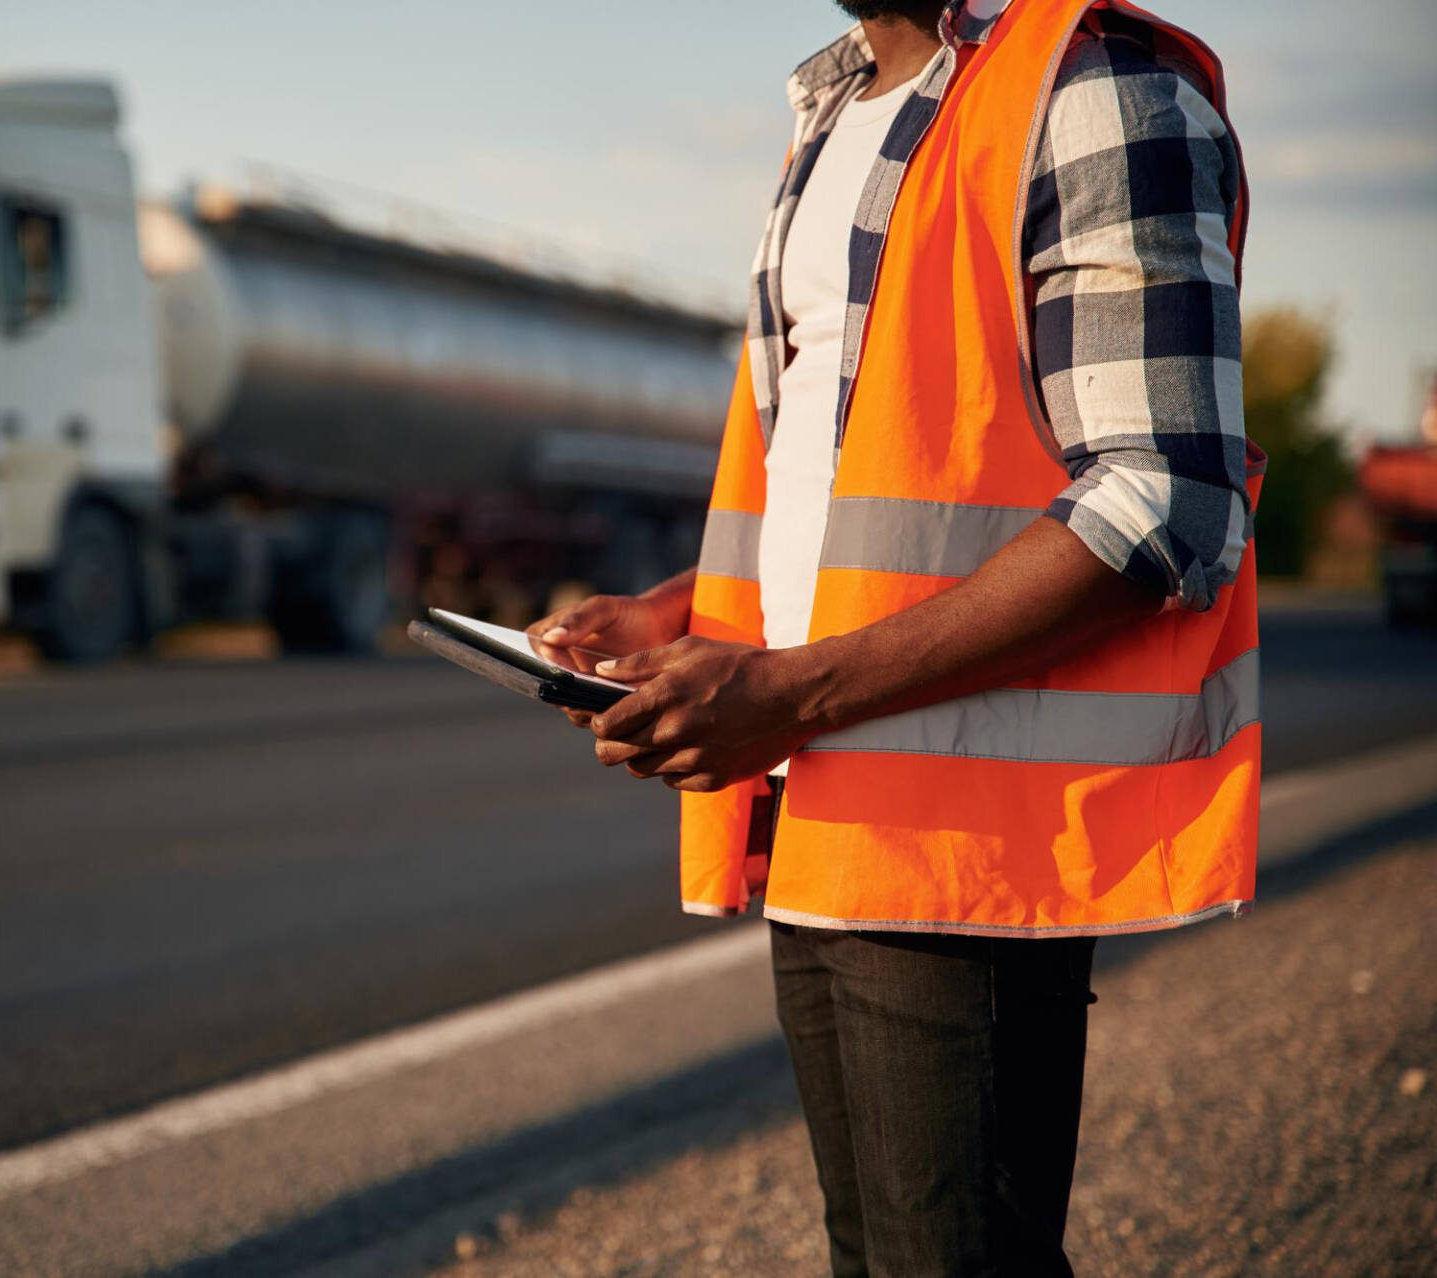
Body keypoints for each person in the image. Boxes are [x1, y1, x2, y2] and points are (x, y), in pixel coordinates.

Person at [529, 1, 1257, 1274]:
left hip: (962, 830)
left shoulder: (1091, 82)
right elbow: (852, 464)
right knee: (879, 1253)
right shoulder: (836, 106)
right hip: (827, 805)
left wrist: (791, 693)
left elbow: (1162, 500)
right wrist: (683, 610)